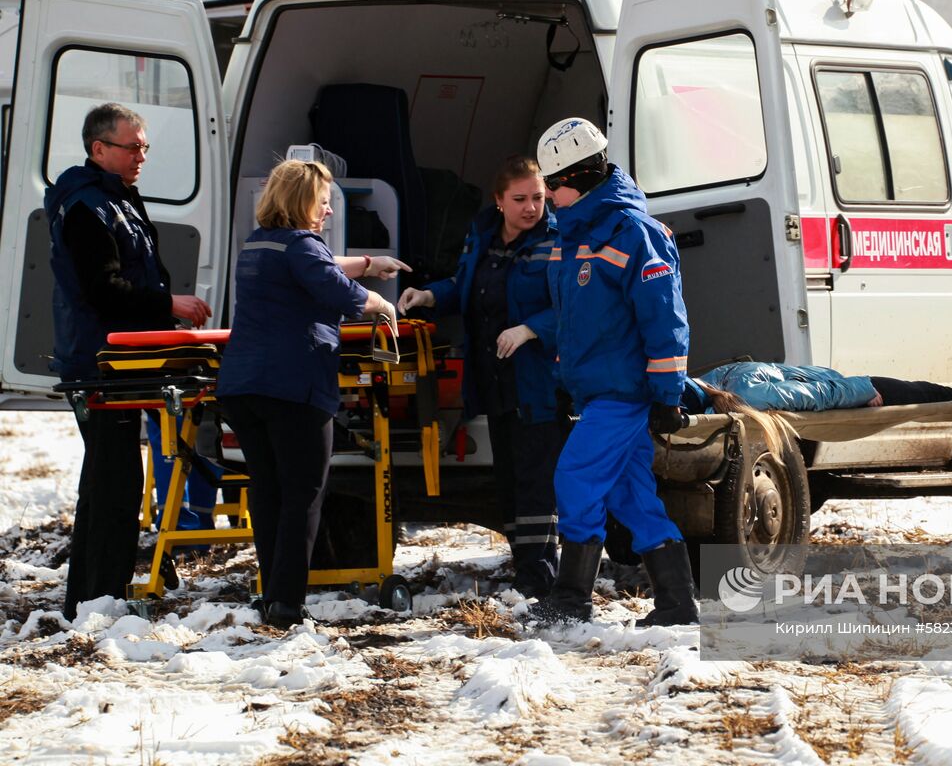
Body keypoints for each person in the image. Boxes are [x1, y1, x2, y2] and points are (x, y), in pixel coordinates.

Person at [216, 159, 405, 629]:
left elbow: (315, 267)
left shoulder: (259, 243)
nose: (329, 211)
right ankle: (287, 603)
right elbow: (341, 292)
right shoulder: (301, 245)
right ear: (301, 202)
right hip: (292, 386)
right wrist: (381, 302)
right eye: (322, 202)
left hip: (243, 386)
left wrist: (366, 264)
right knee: (304, 493)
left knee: (268, 491)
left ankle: (272, 595)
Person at [526, 118, 697, 628]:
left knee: (575, 478)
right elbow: (574, 321)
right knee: (631, 495)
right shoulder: (573, 234)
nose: (546, 196)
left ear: (578, 179)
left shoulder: (634, 233)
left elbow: (665, 321)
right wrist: (566, 380)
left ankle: (571, 598)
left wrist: (667, 395)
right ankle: (676, 603)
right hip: (597, 391)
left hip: (625, 392)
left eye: (552, 185)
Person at [46, 103, 213, 620]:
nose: (142, 156)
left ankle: (93, 598)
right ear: (99, 149)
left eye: (145, 147)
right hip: (99, 364)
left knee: (109, 479)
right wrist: (169, 305)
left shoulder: (115, 197)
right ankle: (98, 601)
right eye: (133, 147)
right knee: (114, 483)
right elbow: (104, 290)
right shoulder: (87, 207)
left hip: (118, 360)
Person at [397, 156, 564, 598]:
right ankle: (525, 569)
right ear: (499, 200)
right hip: (493, 380)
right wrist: (430, 295)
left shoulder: (557, 240)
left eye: (538, 198)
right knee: (507, 479)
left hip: (537, 381)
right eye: (520, 199)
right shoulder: (482, 236)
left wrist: (531, 329)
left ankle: (539, 577)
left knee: (535, 481)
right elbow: (466, 287)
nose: (532, 208)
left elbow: (572, 304)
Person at [680, 347, 952, 415]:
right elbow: (812, 396)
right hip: (852, 392)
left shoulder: (719, 384)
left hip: (847, 387)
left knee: (927, 392)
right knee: (926, 393)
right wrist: (862, 390)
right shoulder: (739, 391)